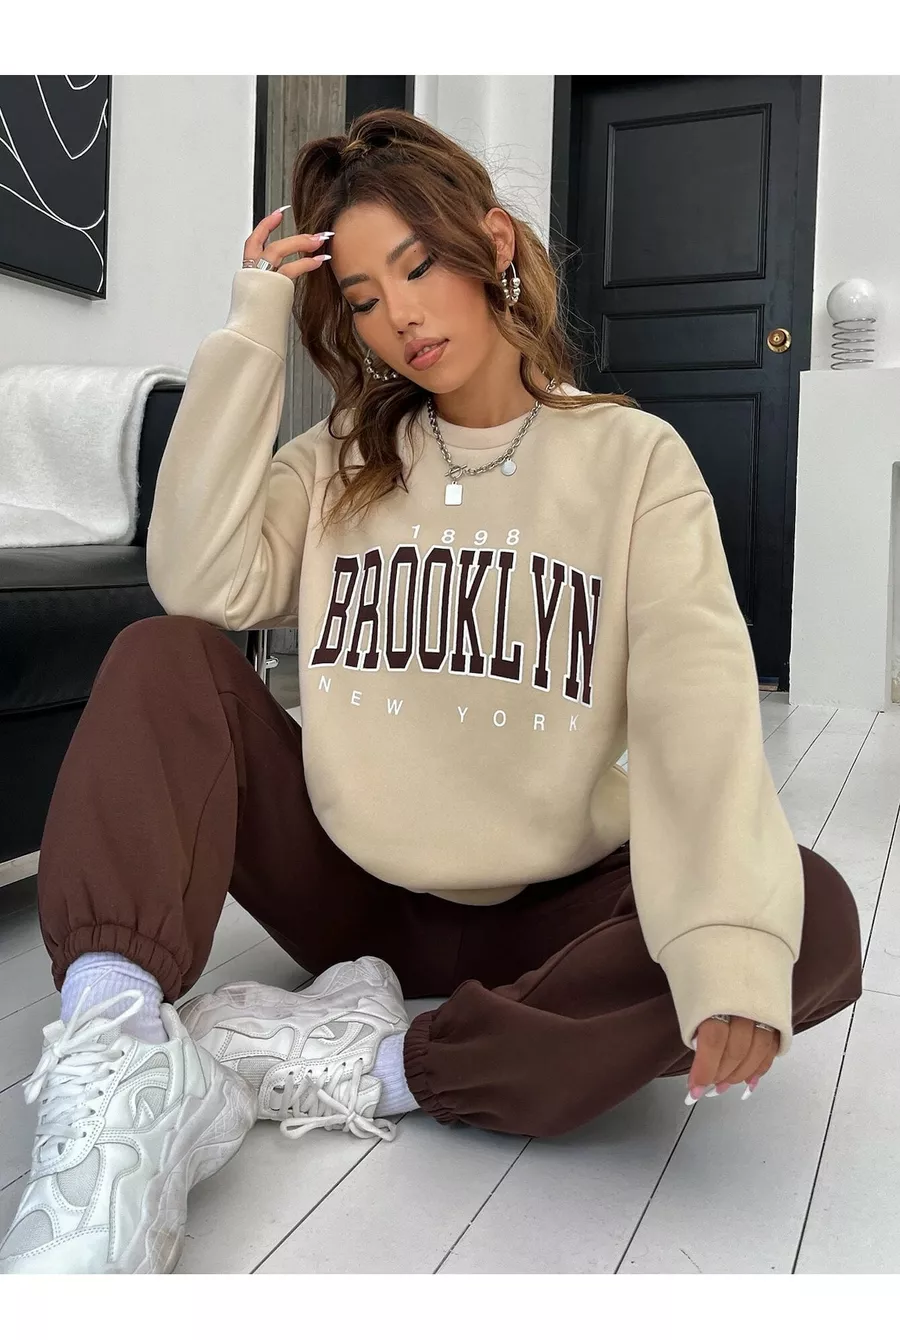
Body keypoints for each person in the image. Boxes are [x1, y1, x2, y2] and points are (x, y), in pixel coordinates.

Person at [0, 110, 862, 1277]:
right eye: (361, 297)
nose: (399, 316)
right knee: (164, 656)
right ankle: (118, 1062)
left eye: (417, 267)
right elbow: (197, 579)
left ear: (492, 244)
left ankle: (367, 1067)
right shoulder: (340, 461)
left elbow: (695, 718)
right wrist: (253, 325)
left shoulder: (633, 462)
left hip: (549, 912)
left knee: (799, 920)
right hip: (348, 890)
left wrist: (722, 951)